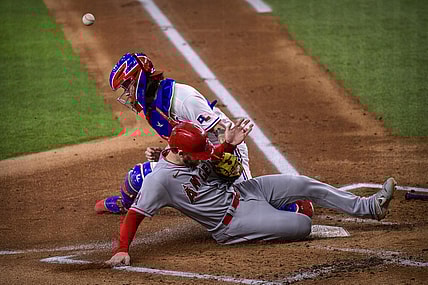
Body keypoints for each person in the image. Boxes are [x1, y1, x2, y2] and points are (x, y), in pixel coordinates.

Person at [105, 119, 397, 266]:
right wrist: (122, 250)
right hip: (232, 223)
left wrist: (228, 144)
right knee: (302, 225)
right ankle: (265, 224)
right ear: (180, 153)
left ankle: (369, 207)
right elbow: (134, 215)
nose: (204, 156)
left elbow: (212, 157)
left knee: (302, 183)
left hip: (244, 190)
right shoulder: (159, 182)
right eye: (198, 154)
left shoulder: (184, 150)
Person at [95, 52, 312, 215]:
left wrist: (218, 163)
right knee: (139, 177)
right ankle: (127, 204)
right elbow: (185, 141)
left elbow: (220, 135)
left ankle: (292, 206)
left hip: (226, 152)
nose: (127, 95)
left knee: (244, 204)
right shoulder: (153, 108)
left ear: (140, 80)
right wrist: (167, 153)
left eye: (128, 86)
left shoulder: (183, 99)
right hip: (196, 157)